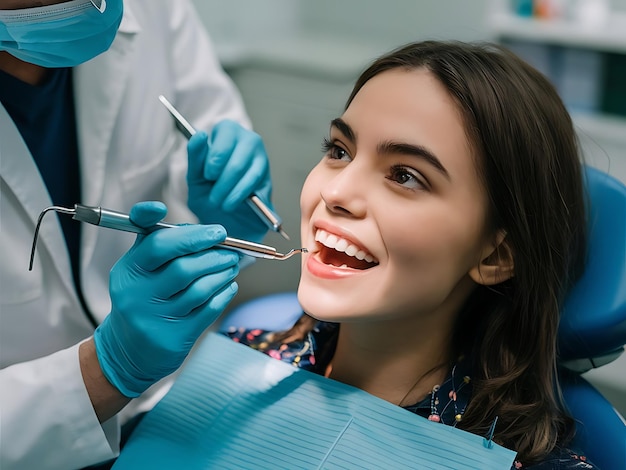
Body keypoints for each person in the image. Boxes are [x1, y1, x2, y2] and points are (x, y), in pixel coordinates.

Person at [218, 41, 598, 469]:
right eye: (339, 150)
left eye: (405, 176)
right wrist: (124, 383)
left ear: (496, 256)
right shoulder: (235, 360)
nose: (335, 192)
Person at [0, 0, 273, 468]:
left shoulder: (155, 9)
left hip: (173, 410)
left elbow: (204, 126)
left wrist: (224, 223)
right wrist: (103, 371)